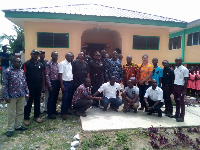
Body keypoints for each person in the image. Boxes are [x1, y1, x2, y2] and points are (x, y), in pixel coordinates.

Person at [2, 57, 29, 137]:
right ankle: (10, 129)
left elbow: (24, 82)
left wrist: (27, 92)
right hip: (11, 96)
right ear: (13, 62)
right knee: (11, 113)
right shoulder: (7, 72)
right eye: (18, 62)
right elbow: (4, 85)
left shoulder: (21, 71)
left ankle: (18, 126)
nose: (20, 64)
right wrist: (6, 95)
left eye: (20, 62)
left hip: (21, 95)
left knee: (20, 111)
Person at [22, 49, 45, 125]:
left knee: (37, 101)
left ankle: (37, 116)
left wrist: (43, 86)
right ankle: (26, 118)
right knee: (29, 102)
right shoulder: (26, 64)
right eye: (34, 54)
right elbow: (23, 75)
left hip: (38, 86)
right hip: (29, 87)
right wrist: (24, 87)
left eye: (37, 54)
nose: (35, 55)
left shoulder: (40, 64)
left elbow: (42, 75)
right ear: (31, 54)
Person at [171, 57, 189, 122]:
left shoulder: (185, 69)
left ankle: (182, 117)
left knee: (181, 102)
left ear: (182, 61)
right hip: (175, 86)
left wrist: (184, 90)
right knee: (176, 101)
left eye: (179, 61)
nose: (177, 62)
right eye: (176, 61)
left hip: (181, 87)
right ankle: (177, 114)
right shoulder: (175, 69)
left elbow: (186, 80)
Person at [59, 52, 74, 120]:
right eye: (69, 57)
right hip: (65, 83)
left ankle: (67, 110)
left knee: (69, 97)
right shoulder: (62, 64)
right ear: (66, 57)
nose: (70, 58)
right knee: (65, 98)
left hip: (71, 82)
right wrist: (62, 85)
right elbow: (60, 75)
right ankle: (63, 113)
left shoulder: (70, 63)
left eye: (71, 57)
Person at [45, 51, 60, 119]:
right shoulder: (48, 64)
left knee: (55, 98)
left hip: (57, 82)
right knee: (51, 98)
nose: (56, 57)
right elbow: (47, 75)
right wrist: (49, 85)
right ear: (51, 55)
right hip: (52, 82)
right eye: (54, 55)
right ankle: (49, 113)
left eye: (56, 55)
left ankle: (54, 110)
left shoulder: (57, 64)